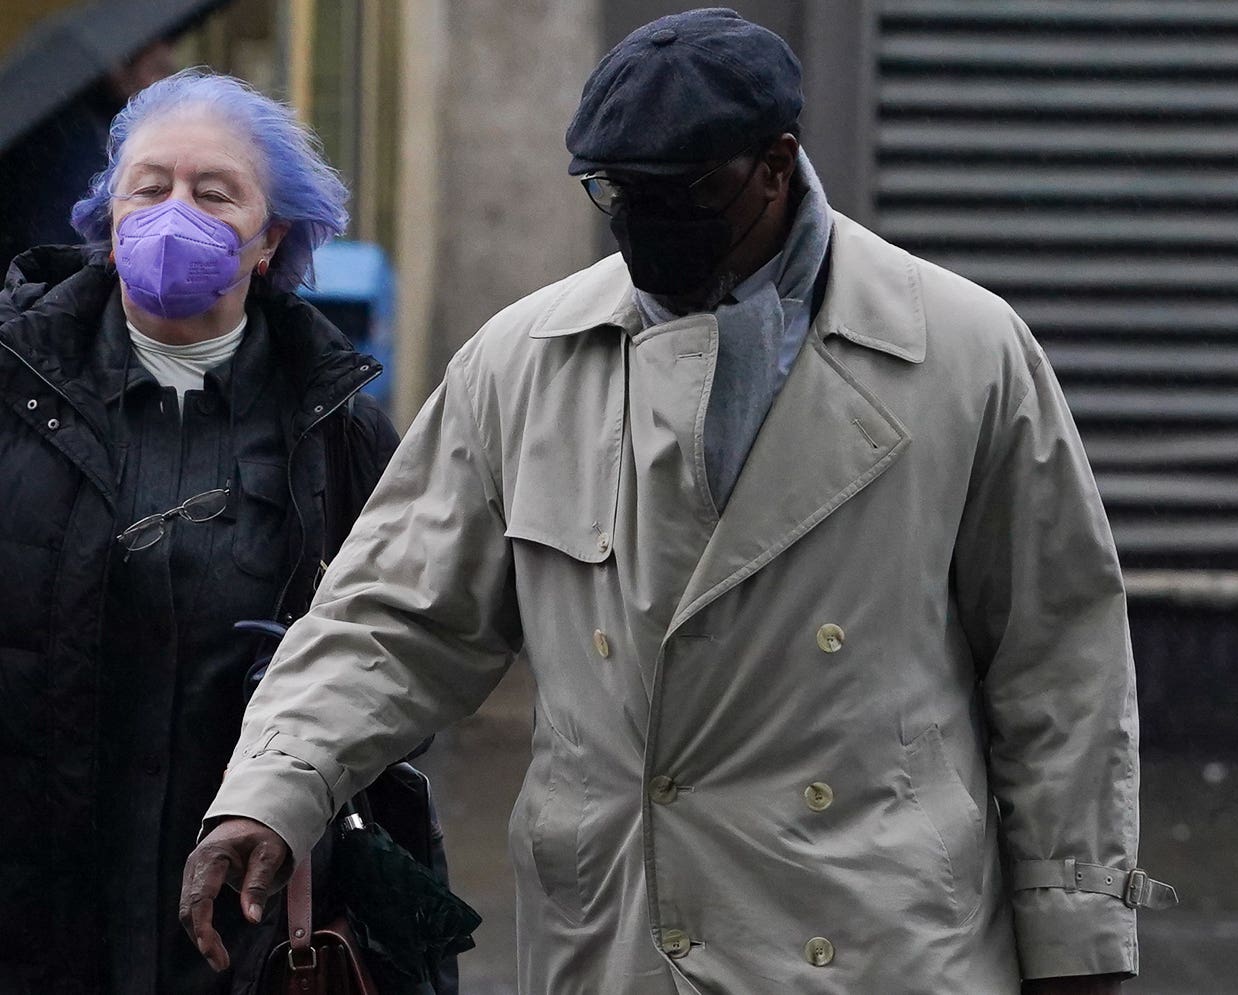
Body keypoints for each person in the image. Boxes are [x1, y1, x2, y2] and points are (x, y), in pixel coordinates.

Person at [183, 9, 1176, 994]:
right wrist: (272, 791)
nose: (639, 220)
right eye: (614, 190)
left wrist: (1075, 937)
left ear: (774, 165)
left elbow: (1056, 664)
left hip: (880, 943)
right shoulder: (523, 363)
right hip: (620, 938)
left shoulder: (962, 351)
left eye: (681, 191)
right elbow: (390, 616)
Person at [0, 70, 399, 994]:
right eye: (149, 188)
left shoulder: (335, 429)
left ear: (270, 241)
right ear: (108, 217)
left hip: (242, 922)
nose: (173, 213)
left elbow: (399, 649)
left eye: (214, 193)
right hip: (33, 914)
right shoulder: (15, 392)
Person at [0, 40, 178, 272]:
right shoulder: (75, 132)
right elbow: (66, 236)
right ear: (118, 69)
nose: (162, 87)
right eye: (157, 71)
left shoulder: (108, 122)